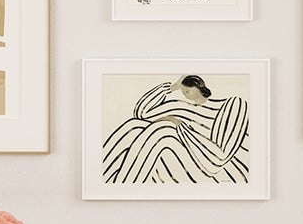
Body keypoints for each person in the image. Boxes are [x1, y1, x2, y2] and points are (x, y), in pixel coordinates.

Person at [101, 74, 250, 185]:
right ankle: (101, 181)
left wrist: (179, 127)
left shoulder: (232, 105)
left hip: (216, 174)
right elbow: (141, 113)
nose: (184, 93)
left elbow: (217, 160)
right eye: (183, 91)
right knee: (134, 126)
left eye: (187, 90)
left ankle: (123, 190)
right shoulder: (182, 107)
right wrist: (173, 87)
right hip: (179, 163)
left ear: (198, 86)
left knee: (163, 130)